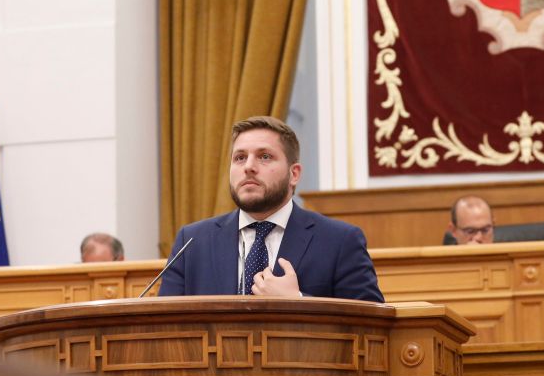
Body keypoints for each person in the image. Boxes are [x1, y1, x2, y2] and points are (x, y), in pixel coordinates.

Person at [157, 116, 383, 301]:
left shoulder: (340, 240)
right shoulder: (193, 241)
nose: (248, 167)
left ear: (294, 174)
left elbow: (371, 324)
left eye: (264, 157)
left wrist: (299, 301)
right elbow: (164, 325)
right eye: (240, 157)